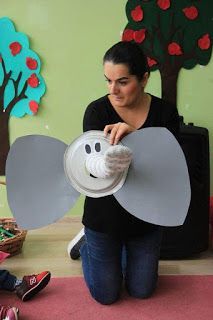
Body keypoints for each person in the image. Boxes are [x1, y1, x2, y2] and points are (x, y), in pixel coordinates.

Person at [68, 41, 180, 305]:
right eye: (108, 81)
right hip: (104, 216)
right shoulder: (96, 111)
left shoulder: (165, 112)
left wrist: (139, 139)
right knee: (106, 295)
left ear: (144, 79)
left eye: (122, 81)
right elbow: (91, 167)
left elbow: (170, 166)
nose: (113, 90)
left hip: (147, 216)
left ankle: (122, 254)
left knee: (142, 290)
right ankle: (86, 247)